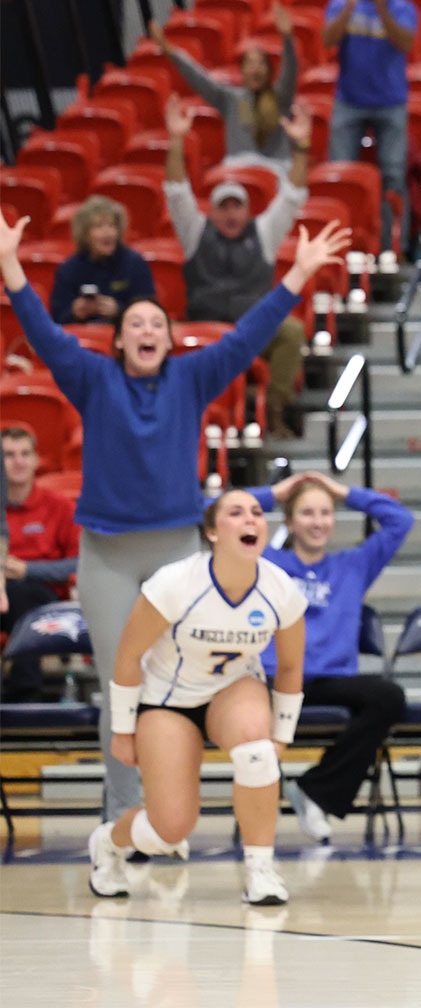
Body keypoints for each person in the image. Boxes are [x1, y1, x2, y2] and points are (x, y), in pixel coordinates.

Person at [1, 206, 349, 825]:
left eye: (156, 323)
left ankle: (170, 812)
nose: (147, 330)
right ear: (119, 340)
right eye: (135, 323)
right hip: (108, 556)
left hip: (178, 553)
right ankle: (122, 817)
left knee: (180, 686)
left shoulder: (192, 376)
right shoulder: (91, 377)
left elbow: (246, 337)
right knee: (121, 688)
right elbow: (44, 334)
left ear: (169, 338)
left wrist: (296, 276)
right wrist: (10, 265)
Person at [86, 489, 308, 905]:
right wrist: (123, 730)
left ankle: (261, 871)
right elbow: (128, 655)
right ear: (212, 532)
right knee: (168, 831)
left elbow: (292, 668)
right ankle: (109, 843)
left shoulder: (281, 589)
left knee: (258, 752)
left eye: (257, 512)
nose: (250, 519)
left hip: (232, 690)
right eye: (236, 512)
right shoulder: (175, 584)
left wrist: (282, 734)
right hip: (168, 700)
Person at [244, 471, 414, 843]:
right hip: (274, 677)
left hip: (329, 679)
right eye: (307, 513)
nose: (318, 522)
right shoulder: (265, 563)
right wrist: (273, 493)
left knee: (388, 697)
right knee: (238, 698)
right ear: (289, 522)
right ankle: (254, 808)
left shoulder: (354, 565)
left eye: (325, 512)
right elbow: (211, 513)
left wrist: (344, 492)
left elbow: (401, 520)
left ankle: (316, 792)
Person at [163, 95, 314, 440]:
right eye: (224, 207)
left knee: (291, 331)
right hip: (203, 327)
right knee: (157, 331)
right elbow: (176, 191)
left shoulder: (264, 233)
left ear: (247, 211)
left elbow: (292, 195)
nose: (231, 213)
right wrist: (176, 140)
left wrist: (302, 147)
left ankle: (274, 409)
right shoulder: (195, 232)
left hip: (252, 329)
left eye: (237, 206)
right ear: (212, 211)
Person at [322, 0, 417, 250]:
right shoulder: (340, 5)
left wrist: (382, 8)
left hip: (390, 103)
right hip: (349, 101)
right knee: (339, 175)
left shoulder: (402, 8)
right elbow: (327, 40)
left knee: (393, 175)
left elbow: (405, 43)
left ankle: (395, 247)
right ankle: (342, 245)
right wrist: (350, 7)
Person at [149, 3, 300, 166]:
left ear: (269, 71)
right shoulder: (230, 98)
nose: (255, 69)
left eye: (260, 64)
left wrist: (287, 38)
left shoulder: (280, 96)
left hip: (276, 169)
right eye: (250, 64)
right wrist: (168, 49)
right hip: (237, 171)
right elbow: (199, 79)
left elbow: (290, 71)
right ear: (242, 71)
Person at [3, 426, 79, 630]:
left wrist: (26, 570)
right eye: (9, 455)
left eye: (25, 454)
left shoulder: (61, 507)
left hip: (42, 593)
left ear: (36, 460)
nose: (18, 461)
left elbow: (79, 564)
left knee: (20, 594)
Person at [50, 197, 156, 325]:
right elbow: (56, 320)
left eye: (112, 226)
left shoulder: (135, 264)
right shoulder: (68, 269)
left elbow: (149, 313)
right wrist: (74, 313)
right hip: (80, 335)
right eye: (99, 226)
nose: (107, 233)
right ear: (85, 235)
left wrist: (119, 311)